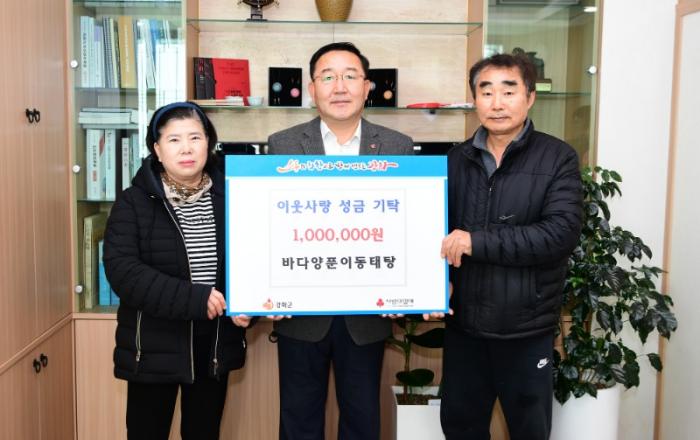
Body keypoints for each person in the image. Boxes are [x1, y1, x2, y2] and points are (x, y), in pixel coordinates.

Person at [266, 42, 414, 440]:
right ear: (312, 89)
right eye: (328, 77)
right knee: (298, 420)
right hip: (300, 312)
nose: (340, 86)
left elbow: (407, 227)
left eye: (350, 76)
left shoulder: (398, 146)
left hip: (367, 316)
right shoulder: (282, 144)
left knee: (362, 420)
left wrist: (406, 289)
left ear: (367, 86)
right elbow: (270, 227)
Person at [439, 54, 583, 439]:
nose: (497, 103)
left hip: (525, 328)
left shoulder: (557, 158)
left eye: (509, 91)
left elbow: (558, 235)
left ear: (530, 97)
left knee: (528, 430)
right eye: (486, 92)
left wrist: (476, 241)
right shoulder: (456, 159)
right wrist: (433, 286)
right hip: (465, 328)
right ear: (474, 99)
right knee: (460, 428)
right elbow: (436, 233)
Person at [103, 101, 251, 440]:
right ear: (157, 149)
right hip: (153, 346)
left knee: (204, 432)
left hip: (213, 344)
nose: (186, 148)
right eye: (174, 139)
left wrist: (250, 308)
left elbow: (250, 261)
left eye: (195, 137)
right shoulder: (133, 202)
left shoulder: (233, 197)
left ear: (209, 143)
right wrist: (195, 299)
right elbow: (124, 272)